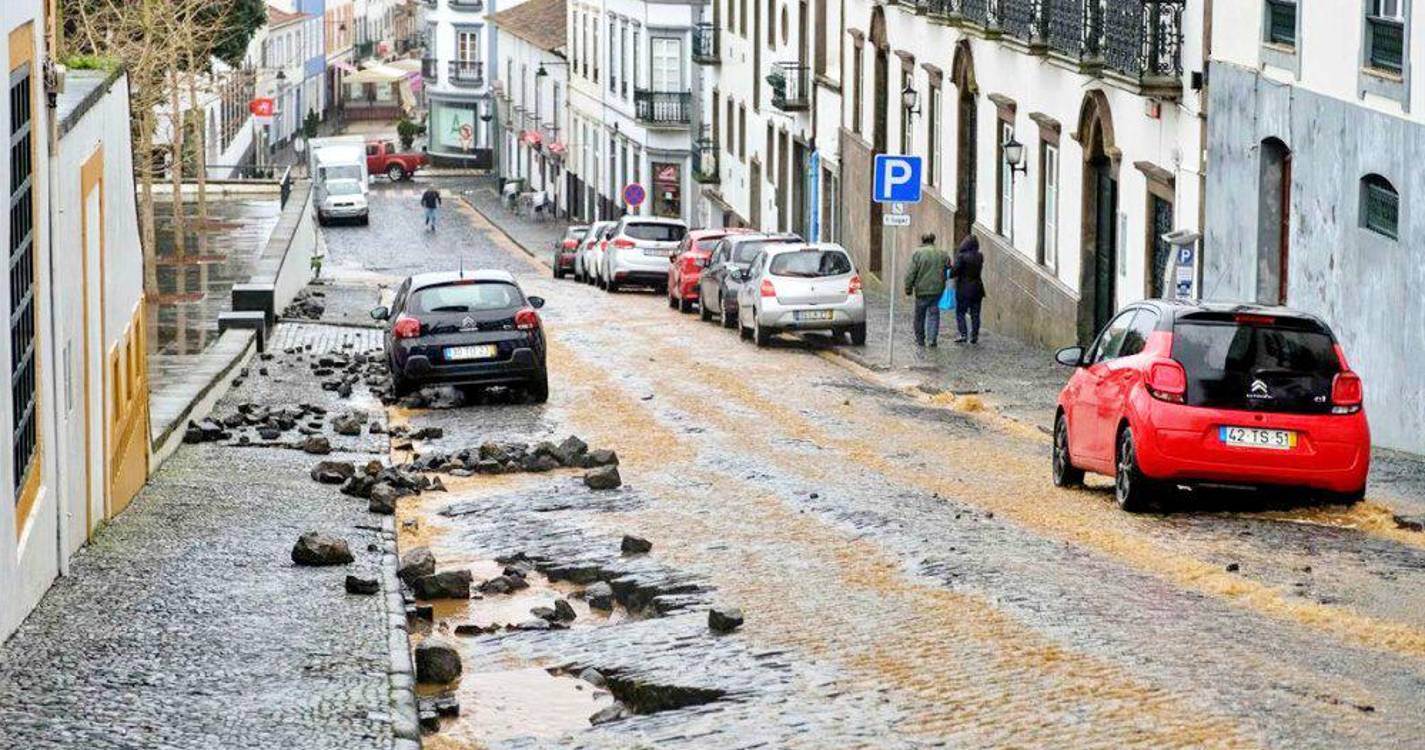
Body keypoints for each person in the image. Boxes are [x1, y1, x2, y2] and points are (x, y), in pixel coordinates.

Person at [903, 232, 950, 348]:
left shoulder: (918, 253)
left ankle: (920, 339)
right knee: (934, 314)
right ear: (933, 240)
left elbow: (911, 273)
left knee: (919, 315)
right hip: (937, 290)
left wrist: (908, 288)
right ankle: (932, 339)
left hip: (922, 290)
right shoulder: (942, 253)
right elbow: (948, 267)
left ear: (922, 240)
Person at [949, 235, 986, 344]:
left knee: (960, 312)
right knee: (975, 314)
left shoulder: (962, 257)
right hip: (977, 289)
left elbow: (953, 272)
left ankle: (963, 334)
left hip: (964, 289)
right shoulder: (980, 256)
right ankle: (974, 335)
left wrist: (951, 269)